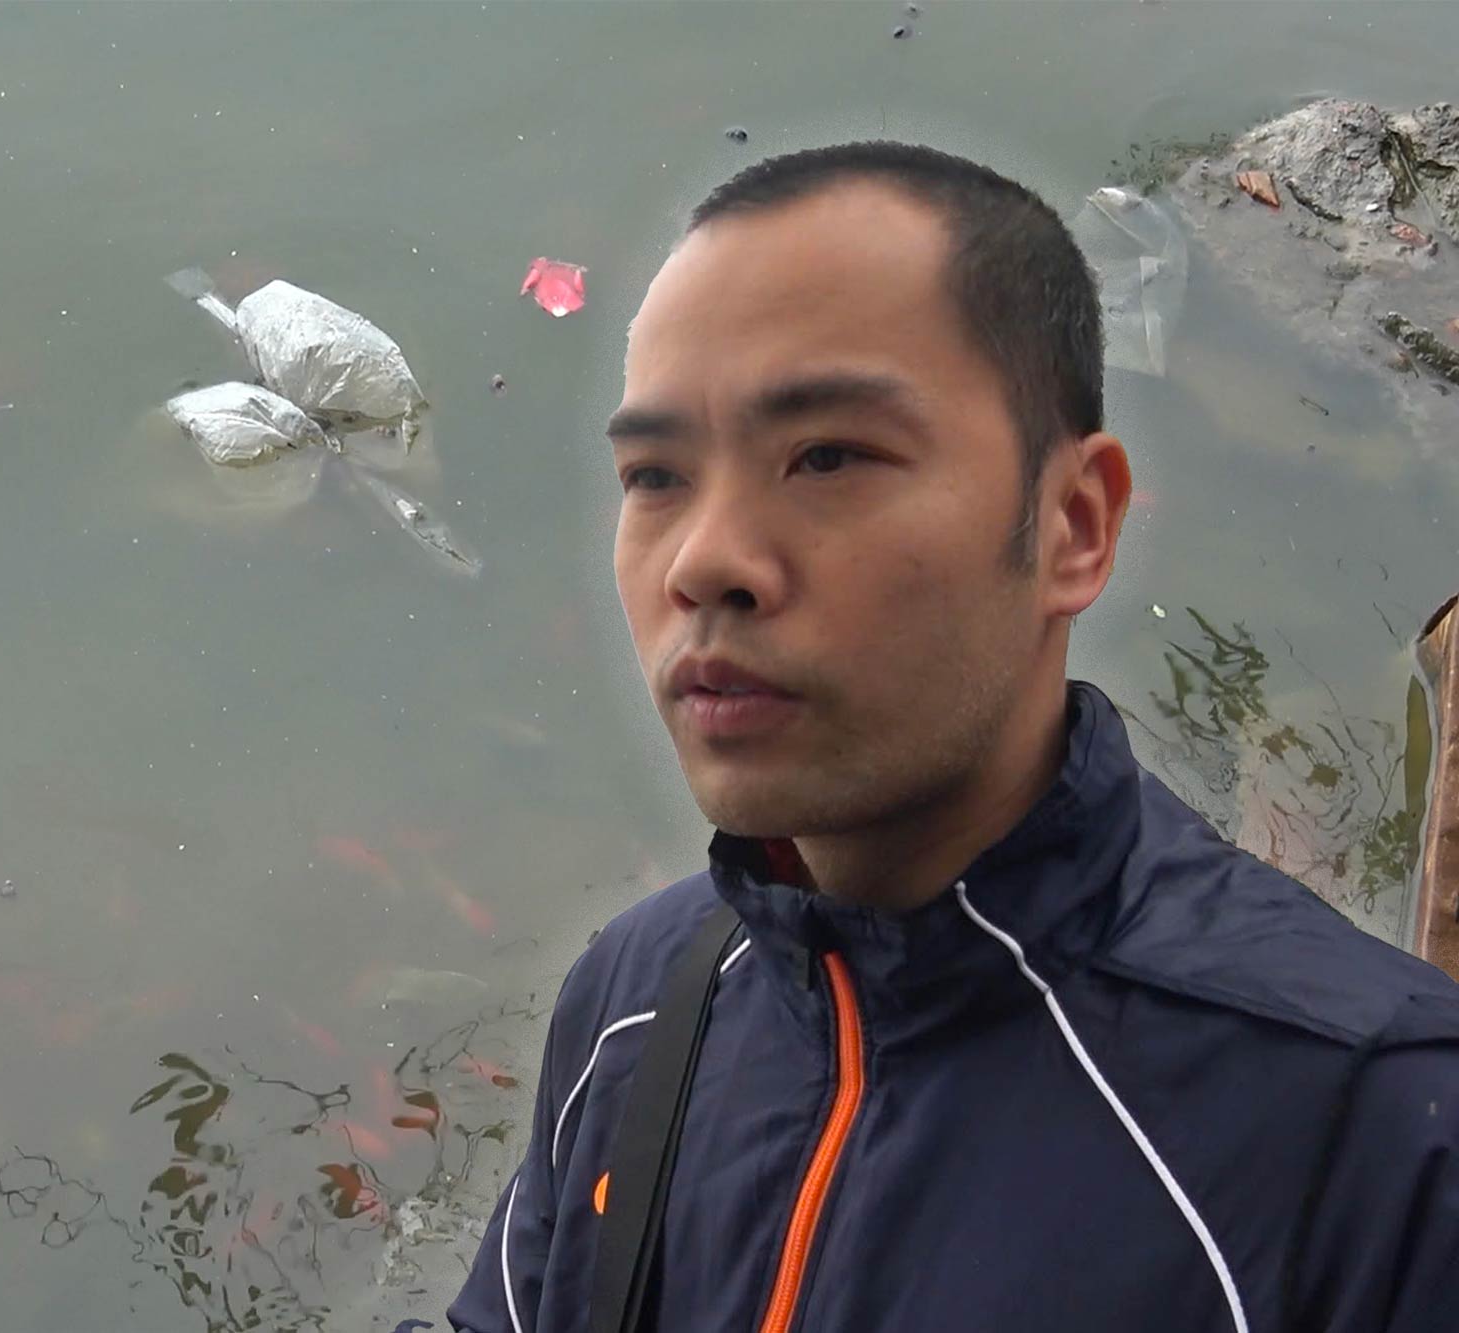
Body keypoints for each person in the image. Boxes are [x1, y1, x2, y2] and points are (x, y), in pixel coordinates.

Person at [447, 142, 1459, 1333]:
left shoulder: (1367, 1134)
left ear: (1072, 526)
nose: (703, 561)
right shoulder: (640, 998)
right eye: (655, 474)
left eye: (825, 456)